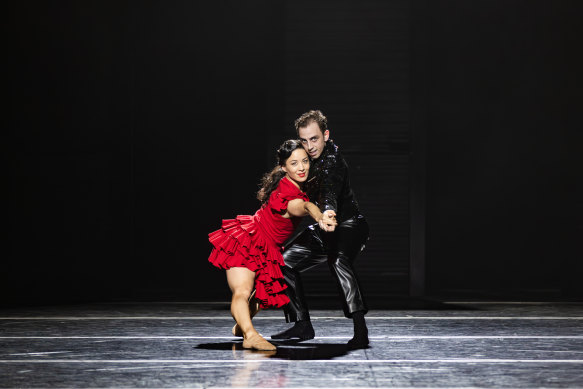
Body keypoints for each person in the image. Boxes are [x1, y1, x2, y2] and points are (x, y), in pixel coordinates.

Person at [208, 139, 337, 351]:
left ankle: (242, 325)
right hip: (247, 239)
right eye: (294, 163)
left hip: (269, 249)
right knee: (242, 291)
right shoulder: (290, 197)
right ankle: (250, 334)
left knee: (261, 296)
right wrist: (320, 217)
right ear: (284, 167)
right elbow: (305, 206)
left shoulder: (292, 183)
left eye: (304, 161)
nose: (302, 167)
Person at [271, 110, 370, 350]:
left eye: (314, 139)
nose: (310, 146)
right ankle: (302, 324)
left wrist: (328, 212)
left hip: (349, 225)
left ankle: (360, 329)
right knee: (283, 262)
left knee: (338, 261)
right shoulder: (304, 159)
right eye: (304, 140)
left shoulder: (333, 161)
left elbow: (329, 192)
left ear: (325, 135)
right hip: (323, 227)